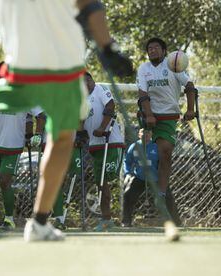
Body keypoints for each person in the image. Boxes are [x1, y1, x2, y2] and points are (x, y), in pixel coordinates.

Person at [0, 0, 133, 241]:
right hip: (25, 63)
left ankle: (40, 222)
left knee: (63, 138)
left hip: (67, 66)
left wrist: (108, 46)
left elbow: (88, 3)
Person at [136, 37, 195, 223]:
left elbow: (190, 86)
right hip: (149, 115)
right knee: (145, 156)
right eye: (149, 48)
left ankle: (160, 193)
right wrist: (149, 114)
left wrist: (191, 109)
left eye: (156, 48)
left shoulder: (173, 65)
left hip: (169, 116)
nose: (152, 51)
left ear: (164, 51)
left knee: (166, 152)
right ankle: (142, 197)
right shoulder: (144, 69)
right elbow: (143, 94)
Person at [0, 108, 45, 230]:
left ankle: (9, 219)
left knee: (4, 180)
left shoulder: (24, 92)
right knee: (0, 182)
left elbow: (41, 116)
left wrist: (36, 134)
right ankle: (6, 216)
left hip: (14, 147)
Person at [83, 72, 125, 231]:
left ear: (91, 80)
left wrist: (102, 128)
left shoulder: (100, 89)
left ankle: (119, 215)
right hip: (95, 145)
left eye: (86, 80)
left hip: (111, 143)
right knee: (100, 183)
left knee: (109, 176)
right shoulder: (81, 99)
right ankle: (106, 219)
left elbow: (110, 105)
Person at [122, 128, 158, 227]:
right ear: (139, 134)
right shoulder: (134, 146)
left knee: (166, 196)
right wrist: (128, 173)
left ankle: (175, 221)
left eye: (148, 133)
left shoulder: (156, 146)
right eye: (143, 133)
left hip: (155, 178)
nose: (145, 135)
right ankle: (126, 221)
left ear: (151, 134)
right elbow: (127, 162)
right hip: (139, 177)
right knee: (128, 195)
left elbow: (163, 163)